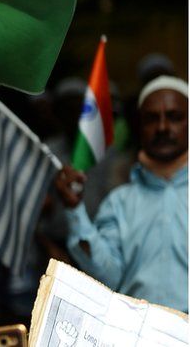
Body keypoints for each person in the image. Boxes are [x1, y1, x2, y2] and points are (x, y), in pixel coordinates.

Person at [55, 75, 188, 312]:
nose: (162, 127)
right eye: (151, 119)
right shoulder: (119, 203)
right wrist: (75, 211)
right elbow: (108, 279)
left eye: (175, 117)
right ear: (139, 127)